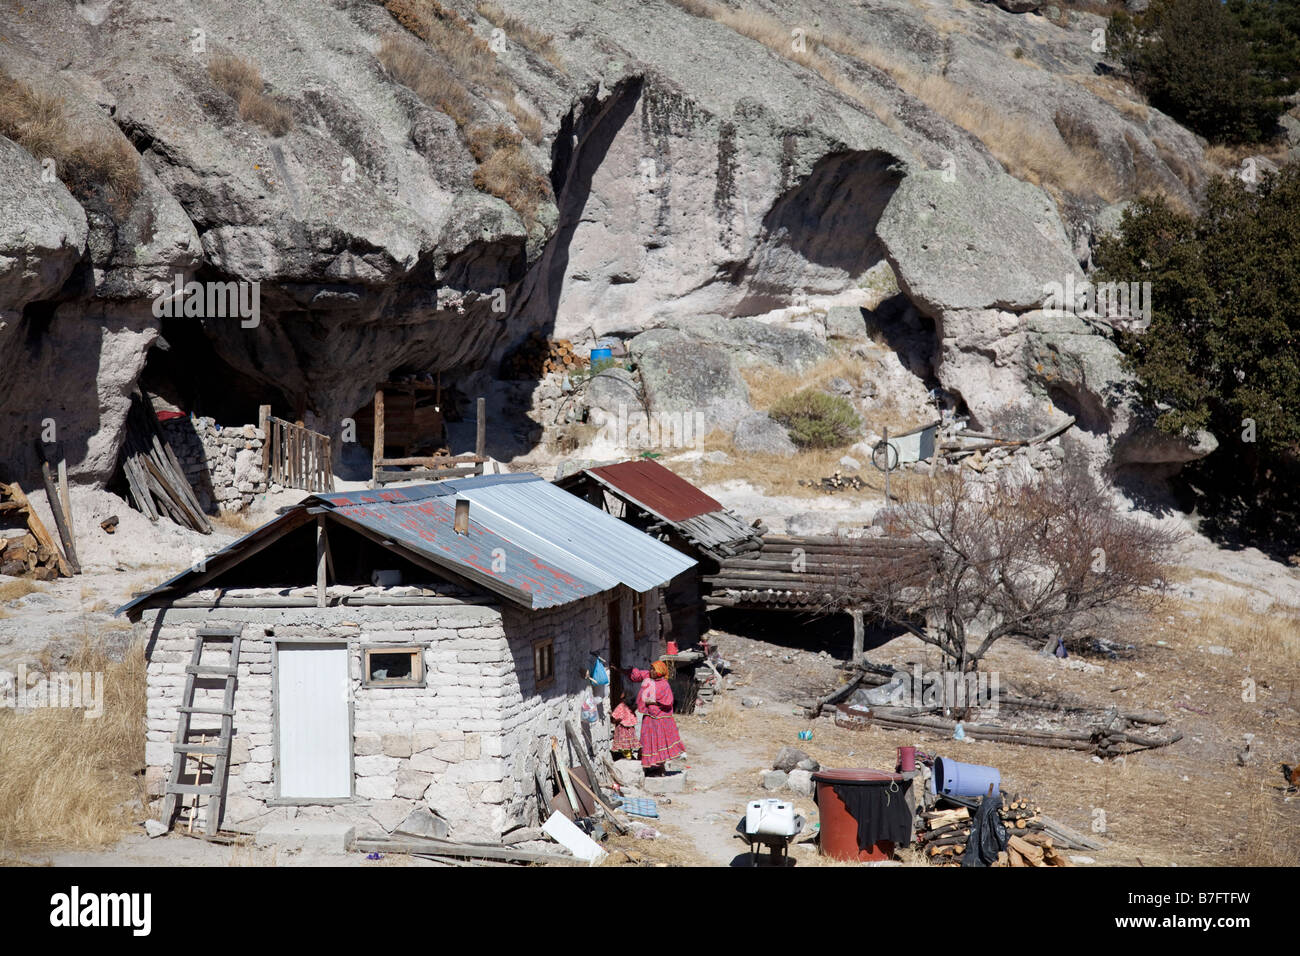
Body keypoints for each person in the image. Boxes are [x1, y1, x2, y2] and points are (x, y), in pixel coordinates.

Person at [628, 660, 685, 773]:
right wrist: (625, 670)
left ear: (660, 671)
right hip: (649, 717)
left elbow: (668, 701)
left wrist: (653, 702)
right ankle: (646, 767)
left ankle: (660, 768)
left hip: (661, 719)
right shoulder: (649, 679)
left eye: (654, 669)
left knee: (660, 742)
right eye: (651, 669)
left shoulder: (664, 685)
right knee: (647, 740)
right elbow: (638, 675)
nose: (651, 671)